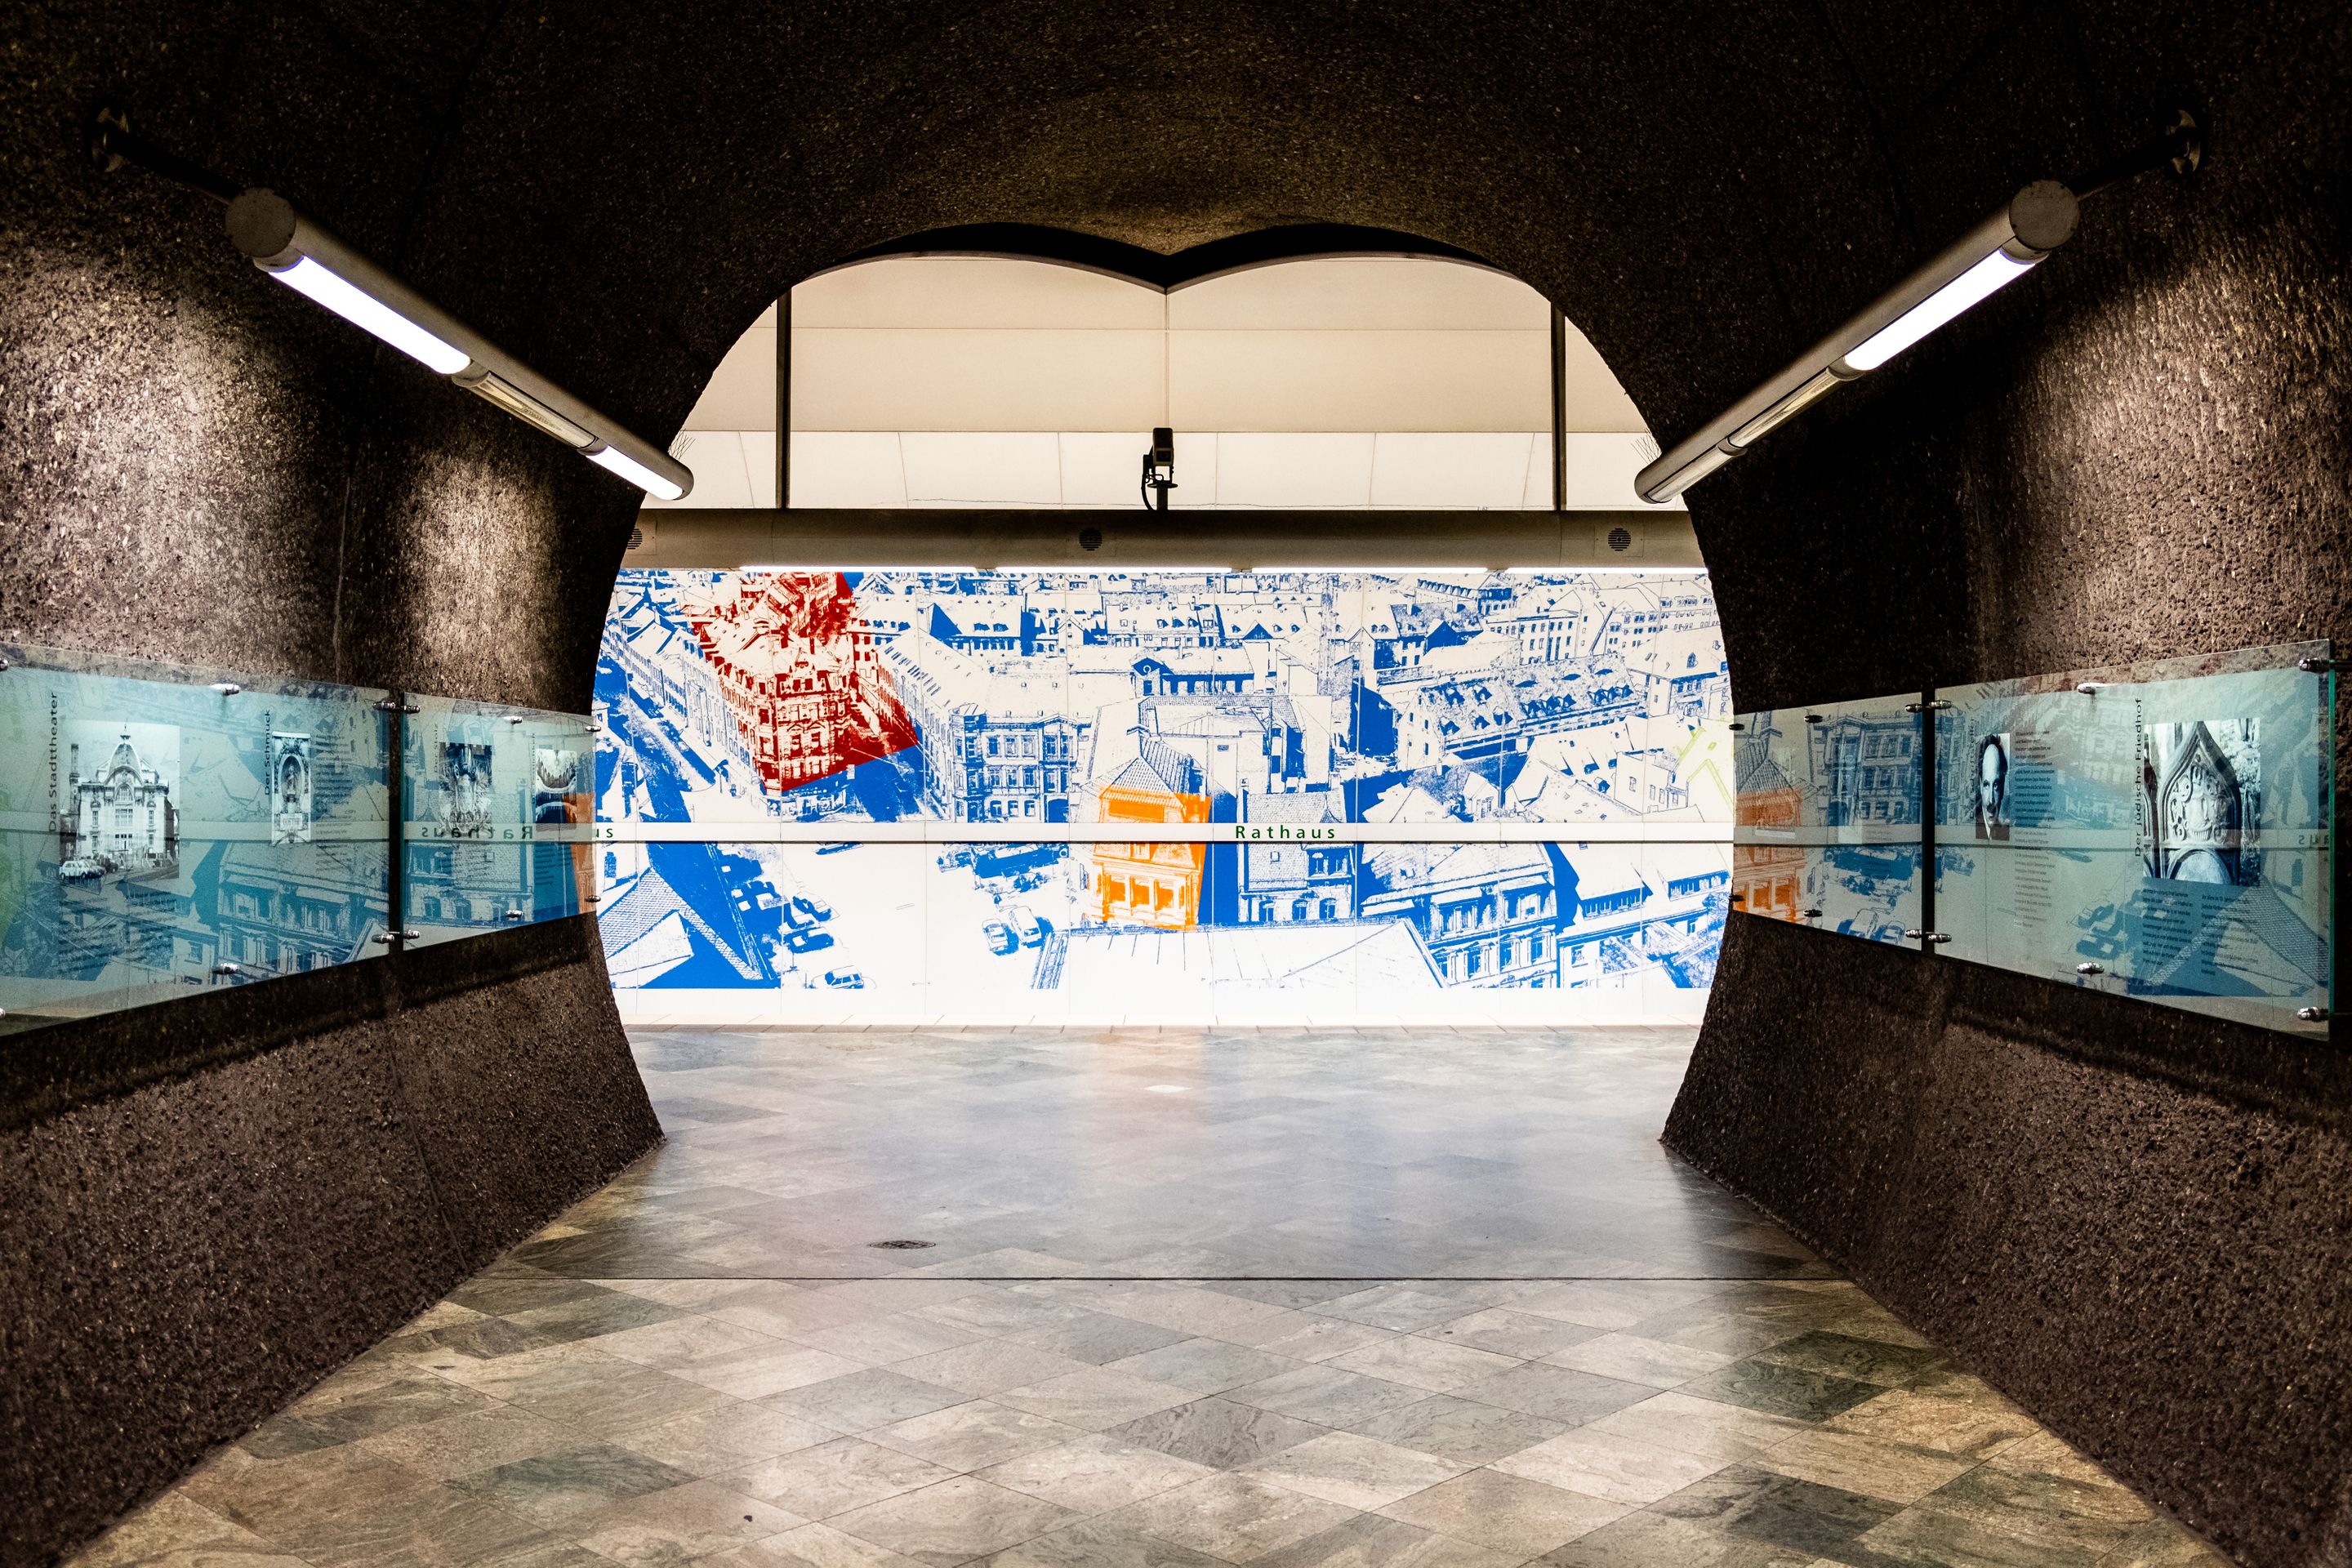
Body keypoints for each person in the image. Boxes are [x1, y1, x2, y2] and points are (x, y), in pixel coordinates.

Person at [1976, 735, 2010, 840]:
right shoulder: (1971, 828)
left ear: (2002, 787)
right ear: (1981, 785)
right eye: (1986, 785)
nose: (1991, 800)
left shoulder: (2005, 833)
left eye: (1995, 785)